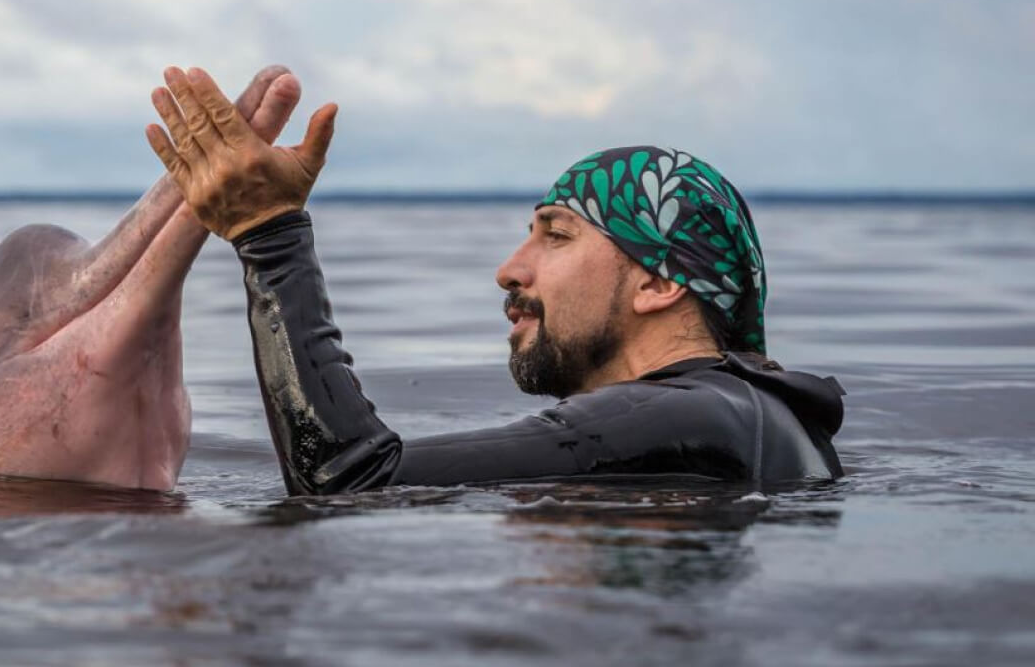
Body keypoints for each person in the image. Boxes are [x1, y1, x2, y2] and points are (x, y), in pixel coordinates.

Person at [145, 66, 844, 496]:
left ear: (659, 284)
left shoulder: (680, 415)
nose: (509, 269)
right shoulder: (751, 418)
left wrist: (269, 236)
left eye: (557, 234)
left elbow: (349, 478)